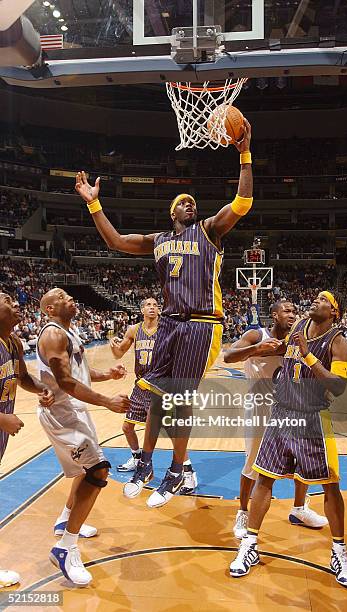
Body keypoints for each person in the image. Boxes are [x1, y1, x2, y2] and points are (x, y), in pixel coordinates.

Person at [75, 119, 253, 508]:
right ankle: (146, 462)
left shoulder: (209, 231)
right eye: (183, 202)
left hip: (202, 323)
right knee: (153, 391)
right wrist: (93, 202)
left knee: (180, 396)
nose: (191, 205)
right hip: (172, 324)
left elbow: (242, 204)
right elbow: (117, 242)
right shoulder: (157, 241)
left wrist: (244, 154)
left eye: (193, 202)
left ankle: (177, 467)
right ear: (172, 212)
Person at [229, 291, 347, 588]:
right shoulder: (298, 327)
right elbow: (264, 352)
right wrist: (255, 349)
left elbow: (338, 387)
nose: (315, 300)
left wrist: (308, 354)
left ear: (334, 312)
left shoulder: (338, 341)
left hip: (313, 418)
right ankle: (249, 545)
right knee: (264, 479)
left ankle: (339, 551)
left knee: (330, 484)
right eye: (316, 298)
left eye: (324, 300)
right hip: (280, 414)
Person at [36, 288, 130, 586]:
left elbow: (80, 373)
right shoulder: (53, 335)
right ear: (50, 309)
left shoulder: (68, 331)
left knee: (85, 468)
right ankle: (65, 547)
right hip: (63, 413)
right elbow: (64, 381)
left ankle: (65, 519)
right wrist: (106, 400)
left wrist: (108, 374)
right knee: (98, 470)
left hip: (73, 410)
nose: (69, 298)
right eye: (61, 297)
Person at [224, 300, 328, 539]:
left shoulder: (298, 337)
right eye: (287, 311)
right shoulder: (255, 334)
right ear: (274, 315)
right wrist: (256, 349)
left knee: (302, 461)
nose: (292, 315)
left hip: (291, 407)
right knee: (253, 463)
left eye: (294, 311)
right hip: (259, 407)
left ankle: (299, 509)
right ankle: (242, 512)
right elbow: (228, 356)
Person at [110, 296, 198, 495]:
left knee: (171, 432)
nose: (152, 308)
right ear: (142, 310)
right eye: (148, 305)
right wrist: (113, 346)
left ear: (159, 310)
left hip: (160, 386)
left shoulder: (166, 329)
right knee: (127, 427)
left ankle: (189, 473)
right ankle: (137, 458)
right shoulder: (133, 330)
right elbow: (119, 353)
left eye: (155, 305)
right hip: (141, 385)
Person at [0, 292, 55, 588]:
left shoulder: (13, 342)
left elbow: (21, 377)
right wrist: (1, 418)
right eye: (8, 301)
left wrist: (41, 389)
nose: (17, 304)